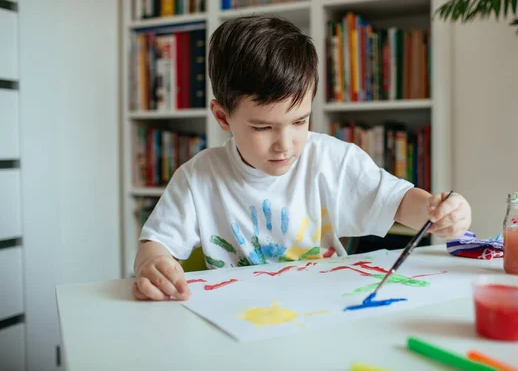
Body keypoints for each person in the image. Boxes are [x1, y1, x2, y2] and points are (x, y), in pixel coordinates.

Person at [132, 15, 471, 301]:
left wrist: (437, 211)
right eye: (263, 127)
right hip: (237, 317)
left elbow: (397, 203)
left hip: (323, 309)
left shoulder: (330, 159)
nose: (286, 145)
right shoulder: (198, 178)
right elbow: (156, 245)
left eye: (299, 121)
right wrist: (152, 265)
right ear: (223, 118)